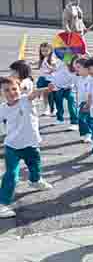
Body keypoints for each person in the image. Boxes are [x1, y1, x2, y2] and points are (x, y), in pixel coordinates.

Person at [0, 77, 52, 218]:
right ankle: (2, 203)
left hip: (31, 144)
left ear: (20, 89)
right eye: (6, 90)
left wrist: (47, 88)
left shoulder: (24, 100)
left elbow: (34, 93)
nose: (11, 92)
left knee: (35, 166)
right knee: (11, 174)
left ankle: (35, 181)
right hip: (12, 146)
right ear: (1, 93)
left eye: (14, 89)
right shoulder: (2, 108)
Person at [49, 55, 79, 130]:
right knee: (58, 104)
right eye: (75, 62)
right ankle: (60, 119)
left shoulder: (77, 72)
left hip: (68, 88)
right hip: (57, 87)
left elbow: (76, 83)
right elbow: (66, 54)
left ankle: (74, 122)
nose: (76, 64)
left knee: (71, 103)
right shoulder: (64, 64)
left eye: (78, 63)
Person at [74, 58, 93, 143]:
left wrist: (89, 103)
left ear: (86, 68)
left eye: (79, 67)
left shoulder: (91, 79)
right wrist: (77, 102)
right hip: (81, 102)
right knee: (80, 119)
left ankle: (88, 134)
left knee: (86, 119)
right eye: (76, 67)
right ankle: (83, 134)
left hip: (89, 102)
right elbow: (78, 92)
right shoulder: (79, 79)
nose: (76, 69)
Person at [36, 42, 58, 116]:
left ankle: (53, 109)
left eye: (46, 51)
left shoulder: (52, 59)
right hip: (43, 78)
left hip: (50, 80)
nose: (44, 52)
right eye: (42, 51)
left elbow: (55, 68)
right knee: (45, 95)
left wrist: (50, 69)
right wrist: (34, 63)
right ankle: (46, 109)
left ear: (50, 50)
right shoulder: (43, 58)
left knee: (51, 95)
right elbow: (41, 65)